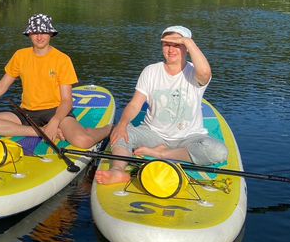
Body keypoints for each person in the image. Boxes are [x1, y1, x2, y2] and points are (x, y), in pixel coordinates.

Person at [95, 25, 228, 185]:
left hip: (189, 137)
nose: (171, 50)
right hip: (153, 133)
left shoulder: (195, 72)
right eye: (167, 44)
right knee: (121, 134)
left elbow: (205, 73)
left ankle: (163, 154)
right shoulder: (151, 71)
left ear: (187, 47)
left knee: (218, 151)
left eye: (177, 45)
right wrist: (123, 124)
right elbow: (136, 104)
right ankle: (117, 171)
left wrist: (187, 41)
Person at [0, 14, 111, 147]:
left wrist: (55, 121)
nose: (39, 36)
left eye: (43, 32)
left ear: (51, 33)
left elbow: (66, 101)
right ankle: (40, 132)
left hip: (55, 111)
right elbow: (1, 86)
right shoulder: (20, 56)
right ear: (29, 34)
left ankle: (108, 129)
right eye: (35, 32)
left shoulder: (62, 59)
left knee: (82, 141)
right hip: (27, 112)